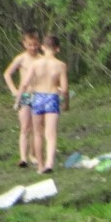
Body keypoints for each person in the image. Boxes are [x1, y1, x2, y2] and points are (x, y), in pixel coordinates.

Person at [17, 34, 68, 174]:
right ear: (57, 49)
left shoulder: (35, 64)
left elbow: (24, 84)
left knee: (37, 134)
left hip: (38, 97)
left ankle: (40, 166)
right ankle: (49, 163)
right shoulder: (60, 65)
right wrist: (66, 103)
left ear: (43, 47)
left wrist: (18, 101)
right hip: (52, 97)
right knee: (50, 133)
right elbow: (64, 89)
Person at [3, 31, 43, 168]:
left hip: (38, 95)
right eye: (29, 45)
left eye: (35, 45)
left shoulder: (41, 59)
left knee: (36, 128)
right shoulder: (21, 58)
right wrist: (14, 90)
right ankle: (23, 158)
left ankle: (33, 154)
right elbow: (7, 74)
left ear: (38, 44)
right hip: (24, 96)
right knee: (25, 126)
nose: (32, 48)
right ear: (24, 44)